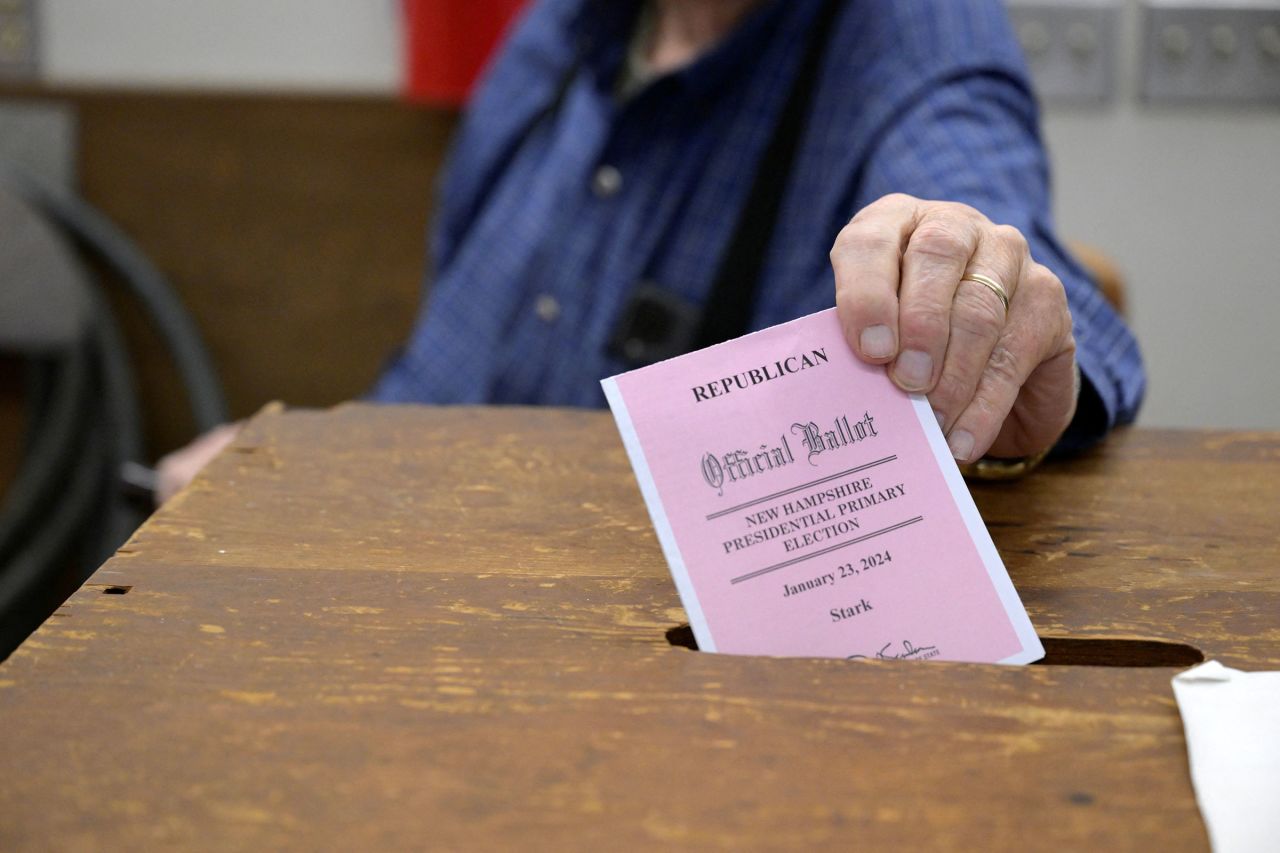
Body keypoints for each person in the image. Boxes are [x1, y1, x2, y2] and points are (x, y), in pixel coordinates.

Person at [156, 0, 1144, 503]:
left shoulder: (906, 32)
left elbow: (974, 189)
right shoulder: (563, 26)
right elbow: (436, 362)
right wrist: (290, 473)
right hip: (410, 535)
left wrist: (980, 283)